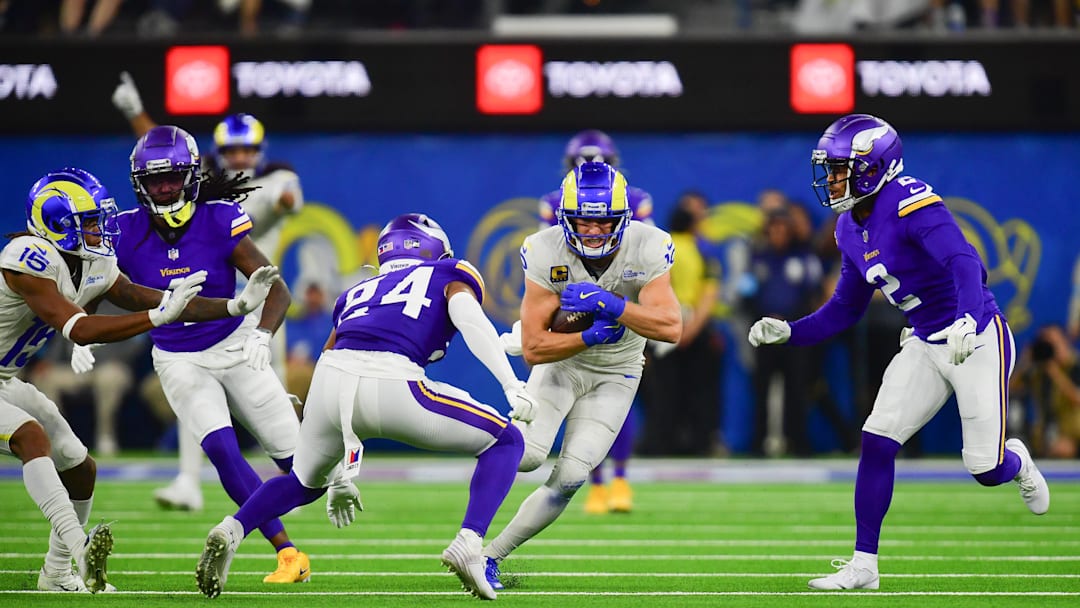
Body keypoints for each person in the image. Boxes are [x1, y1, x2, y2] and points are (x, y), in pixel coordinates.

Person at [747, 113, 1050, 590]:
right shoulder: (848, 227)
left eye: (840, 169)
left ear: (873, 168)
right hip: (924, 341)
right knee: (877, 439)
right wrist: (791, 332)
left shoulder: (910, 203)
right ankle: (864, 565)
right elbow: (845, 308)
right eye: (830, 169)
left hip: (975, 337)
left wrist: (968, 317)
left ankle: (1017, 463)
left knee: (984, 468)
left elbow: (965, 262)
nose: (831, 180)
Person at [194, 213, 537, 600]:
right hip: (394, 380)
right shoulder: (448, 272)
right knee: (506, 441)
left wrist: (336, 469)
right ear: (434, 250)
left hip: (331, 380)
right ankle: (469, 543)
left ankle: (231, 529)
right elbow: (470, 319)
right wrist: (510, 383)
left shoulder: (357, 291)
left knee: (303, 482)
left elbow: (330, 354)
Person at [5, 167, 272, 593]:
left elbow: (144, 297)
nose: (99, 229)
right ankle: (80, 549)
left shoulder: (90, 261)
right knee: (31, 437)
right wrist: (157, 317)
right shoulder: (27, 258)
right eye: (89, 222)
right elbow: (79, 327)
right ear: (56, 224)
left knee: (79, 465)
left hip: (4, 379)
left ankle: (55, 573)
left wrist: (234, 306)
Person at [103, 124, 314, 584]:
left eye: (172, 177)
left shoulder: (219, 218)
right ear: (139, 184)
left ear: (192, 176)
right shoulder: (123, 230)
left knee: (306, 473)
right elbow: (105, 287)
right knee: (221, 449)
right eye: (155, 180)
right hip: (178, 356)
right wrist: (76, 327)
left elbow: (276, 289)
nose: (164, 188)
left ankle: (330, 480)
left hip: (236, 346)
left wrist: (262, 334)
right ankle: (286, 553)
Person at [484, 161, 682, 589]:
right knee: (526, 455)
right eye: (583, 221)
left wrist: (612, 305)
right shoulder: (544, 249)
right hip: (562, 364)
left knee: (572, 476)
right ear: (565, 219)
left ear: (623, 218)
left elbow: (670, 327)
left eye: (603, 221)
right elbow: (535, 348)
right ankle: (469, 526)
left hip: (618, 372)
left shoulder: (649, 244)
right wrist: (589, 336)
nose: (592, 231)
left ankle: (488, 556)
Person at [112, 73, 304, 510]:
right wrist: (136, 115)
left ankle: (292, 473)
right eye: (232, 150)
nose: (240, 157)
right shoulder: (197, 188)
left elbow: (286, 197)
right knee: (196, 392)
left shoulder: (269, 181)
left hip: (258, 305)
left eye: (247, 149)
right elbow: (161, 157)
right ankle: (189, 479)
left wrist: (285, 199)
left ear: (260, 151)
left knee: (270, 402)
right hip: (207, 301)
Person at [537, 129, 653, 514]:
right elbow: (550, 260)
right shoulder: (556, 203)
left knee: (617, 388)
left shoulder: (633, 201)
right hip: (576, 298)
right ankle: (603, 480)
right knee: (582, 392)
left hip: (619, 298)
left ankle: (614, 479)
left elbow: (646, 257)